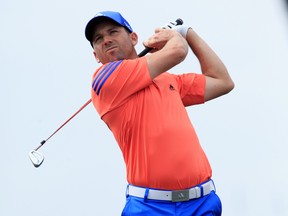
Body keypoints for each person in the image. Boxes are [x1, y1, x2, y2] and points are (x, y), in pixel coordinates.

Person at [85, 11, 234, 216]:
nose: (106, 40)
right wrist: (173, 36)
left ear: (133, 38)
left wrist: (188, 32)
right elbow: (178, 52)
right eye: (98, 39)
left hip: (202, 203)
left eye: (113, 32)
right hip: (150, 208)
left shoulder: (168, 80)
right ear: (95, 55)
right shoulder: (105, 79)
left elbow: (222, 82)